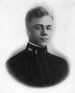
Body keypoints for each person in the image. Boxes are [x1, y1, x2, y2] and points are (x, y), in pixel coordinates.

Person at [6, 6, 69, 87]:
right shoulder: (12, 64)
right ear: (28, 30)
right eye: (38, 27)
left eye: (48, 28)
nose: (45, 32)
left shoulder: (62, 64)